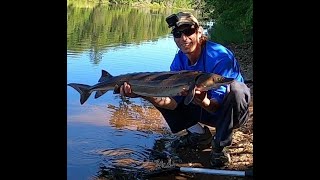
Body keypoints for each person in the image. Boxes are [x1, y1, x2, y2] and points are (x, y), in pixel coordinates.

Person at [120, 12, 251, 167]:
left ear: (199, 31)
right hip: (203, 110)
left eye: (188, 31)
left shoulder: (220, 57)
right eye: (177, 34)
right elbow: (171, 102)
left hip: (230, 115)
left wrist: (204, 101)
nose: (183, 38)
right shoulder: (179, 61)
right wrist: (144, 93)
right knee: (161, 89)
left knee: (237, 89)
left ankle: (220, 147)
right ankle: (199, 135)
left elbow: (217, 107)